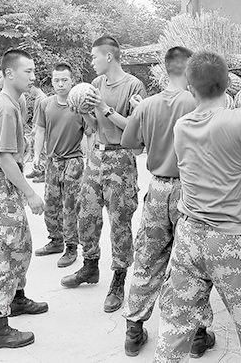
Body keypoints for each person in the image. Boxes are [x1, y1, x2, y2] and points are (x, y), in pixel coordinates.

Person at [153, 51, 241, 363]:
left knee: (176, 326)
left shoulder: (182, 126)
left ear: (190, 88)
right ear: (228, 84)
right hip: (229, 241)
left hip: (188, 239)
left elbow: (217, 123)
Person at [119, 47, 216, 358]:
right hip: (191, 192)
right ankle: (197, 337)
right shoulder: (199, 103)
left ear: (165, 70)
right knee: (193, 264)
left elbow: (130, 144)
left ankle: (134, 331)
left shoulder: (147, 105)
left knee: (148, 258)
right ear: (190, 72)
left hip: (158, 189)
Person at [60, 36, 146, 315]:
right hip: (96, 156)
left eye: (94, 56)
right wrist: (84, 111)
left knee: (119, 220)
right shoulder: (95, 84)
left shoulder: (134, 86)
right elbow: (95, 126)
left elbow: (135, 129)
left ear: (109, 56)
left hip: (121, 157)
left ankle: (119, 277)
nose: (91, 61)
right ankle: (90, 266)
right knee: (86, 214)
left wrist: (105, 107)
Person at [0, 49, 46, 350]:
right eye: (27, 71)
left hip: (3, 183)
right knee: (4, 256)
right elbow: (6, 159)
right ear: (9, 74)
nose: (33, 77)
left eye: (33, 71)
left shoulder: (11, 103)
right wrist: (30, 193)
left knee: (21, 247)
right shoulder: (5, 108)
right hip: (0, 183)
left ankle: (16, 299)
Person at [33, 63, 90, 268]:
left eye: (64, 80)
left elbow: (89, 133)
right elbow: (40, 131)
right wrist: (36, 156)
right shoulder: (45, 104)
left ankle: (71, 246)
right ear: (51, 81)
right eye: (56, 80)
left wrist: (90, 159)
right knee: (51, 204)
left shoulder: (80, 106)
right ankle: (55, 240)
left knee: (70, 206)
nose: (60, 84)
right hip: (52, 162)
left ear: (72, 81)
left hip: (73, 162)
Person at [26, 84, 48, 183]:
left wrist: (36, 128)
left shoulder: (42, 98)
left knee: (41, 150)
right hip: (36, 126)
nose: (29, 92)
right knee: (34, 148)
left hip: (39, 128)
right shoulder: (38, 98)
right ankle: (36, 169)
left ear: (33, 87)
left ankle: (42, 172)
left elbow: (41, 116)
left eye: (29, 89)